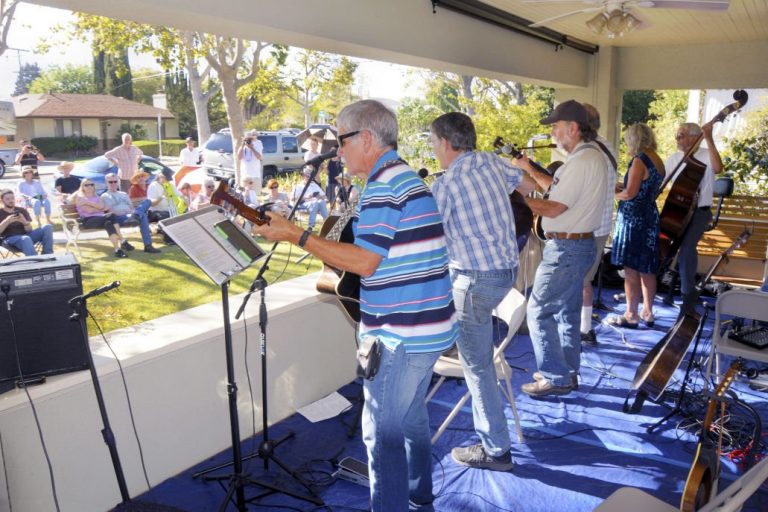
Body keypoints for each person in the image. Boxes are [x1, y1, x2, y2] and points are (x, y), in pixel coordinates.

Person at [254, 99, 458, 512]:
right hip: (427, 329)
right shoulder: (402, 178)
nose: (337, 151)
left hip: (401, 336)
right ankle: (420, 499)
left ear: (365, 138)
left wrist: (298, 237)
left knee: (380, 435)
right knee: (412, 418)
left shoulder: (384, 187)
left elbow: (364, 263)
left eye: (341, 140)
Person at [429, 112, 535, 471]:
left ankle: (495, 449)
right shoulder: (491, 162)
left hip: (475, 283)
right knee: (470, 343)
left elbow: (429, 237)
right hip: (506, 275)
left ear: (445, 143)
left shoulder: (445, 186)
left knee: (478, 368)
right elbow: (526, 185)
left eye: (433, 142)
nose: (433, 149)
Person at [513, 100, 608, 397]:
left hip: (566, 249)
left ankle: (555, 376)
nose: (553, 133)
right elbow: (555, 188)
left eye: (555, 127)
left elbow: (553, 208)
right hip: (577, 246)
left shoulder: (582, 161)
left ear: (573, 128)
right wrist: (526, 173)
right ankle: (568, 371)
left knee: (538, 310)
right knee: (567, 313)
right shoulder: (588, 157)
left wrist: (514, 200)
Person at [608, 123, 665, 328]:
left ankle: (631, 314)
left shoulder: (639, 160)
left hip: (634, 220)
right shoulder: (656, 159)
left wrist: (608, 194)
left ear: (634, 139)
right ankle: (648, 312)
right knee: (647, 268)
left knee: (631, 269)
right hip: (649, 216)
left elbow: (630, 194)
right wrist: (622, 186)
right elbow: (644, 188)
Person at [665, 122, 723, 304]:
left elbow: (718, 168)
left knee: (687, 248)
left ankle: (687, 293)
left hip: (700, 211)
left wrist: (708, 137)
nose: (677, 139)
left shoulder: (706, 155)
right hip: (678, 212)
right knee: (663, 243)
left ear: (693, 137)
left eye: (681, 135)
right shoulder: (674, 159)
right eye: (677, 135)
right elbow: (662, 180)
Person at [579, 103, 618, 346]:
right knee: (585, 281)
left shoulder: (589, 151)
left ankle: (581, 331)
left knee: (580, 282)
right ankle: (584, 329)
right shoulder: (607, 145)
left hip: (588, 228)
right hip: (601, 224)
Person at [100, 173, 162, 254]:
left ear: (118, 182)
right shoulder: (105, 196)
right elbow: (110, 212)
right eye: (110, 182)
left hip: (131, 215)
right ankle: (148, 246)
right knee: (142, 215)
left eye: (115, 181)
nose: (113, 184)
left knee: (147, 202)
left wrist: (132, 212)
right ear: (106, 183)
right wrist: (127, 212)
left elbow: (131, 207)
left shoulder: (123, 194)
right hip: (119, 218)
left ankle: (148, 246)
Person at [73, 179, 130, 258]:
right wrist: (100, 208)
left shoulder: (97, 196)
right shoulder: (79, 198)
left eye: (91, 184)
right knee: (110, 216)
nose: (89, 186)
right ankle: (123, 240)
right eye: (86, 185)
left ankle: (117, 250)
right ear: (82, 187)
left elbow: (101, 207)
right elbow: (90, 211)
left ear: (94, 186)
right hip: (88, 221)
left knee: (109, 223)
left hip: (102, 219)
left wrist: (87, 203)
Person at [0, 189, 54, 256]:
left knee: (47, 227)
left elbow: (29, 230)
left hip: (26, 236)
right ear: (2, 201)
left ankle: (48, 255)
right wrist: (7, 221)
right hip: (10, 239)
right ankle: (35, 262)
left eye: (12, 198)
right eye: (7, 199)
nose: (11, 200)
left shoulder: (22, 210)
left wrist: (24, 222)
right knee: (26, 238)